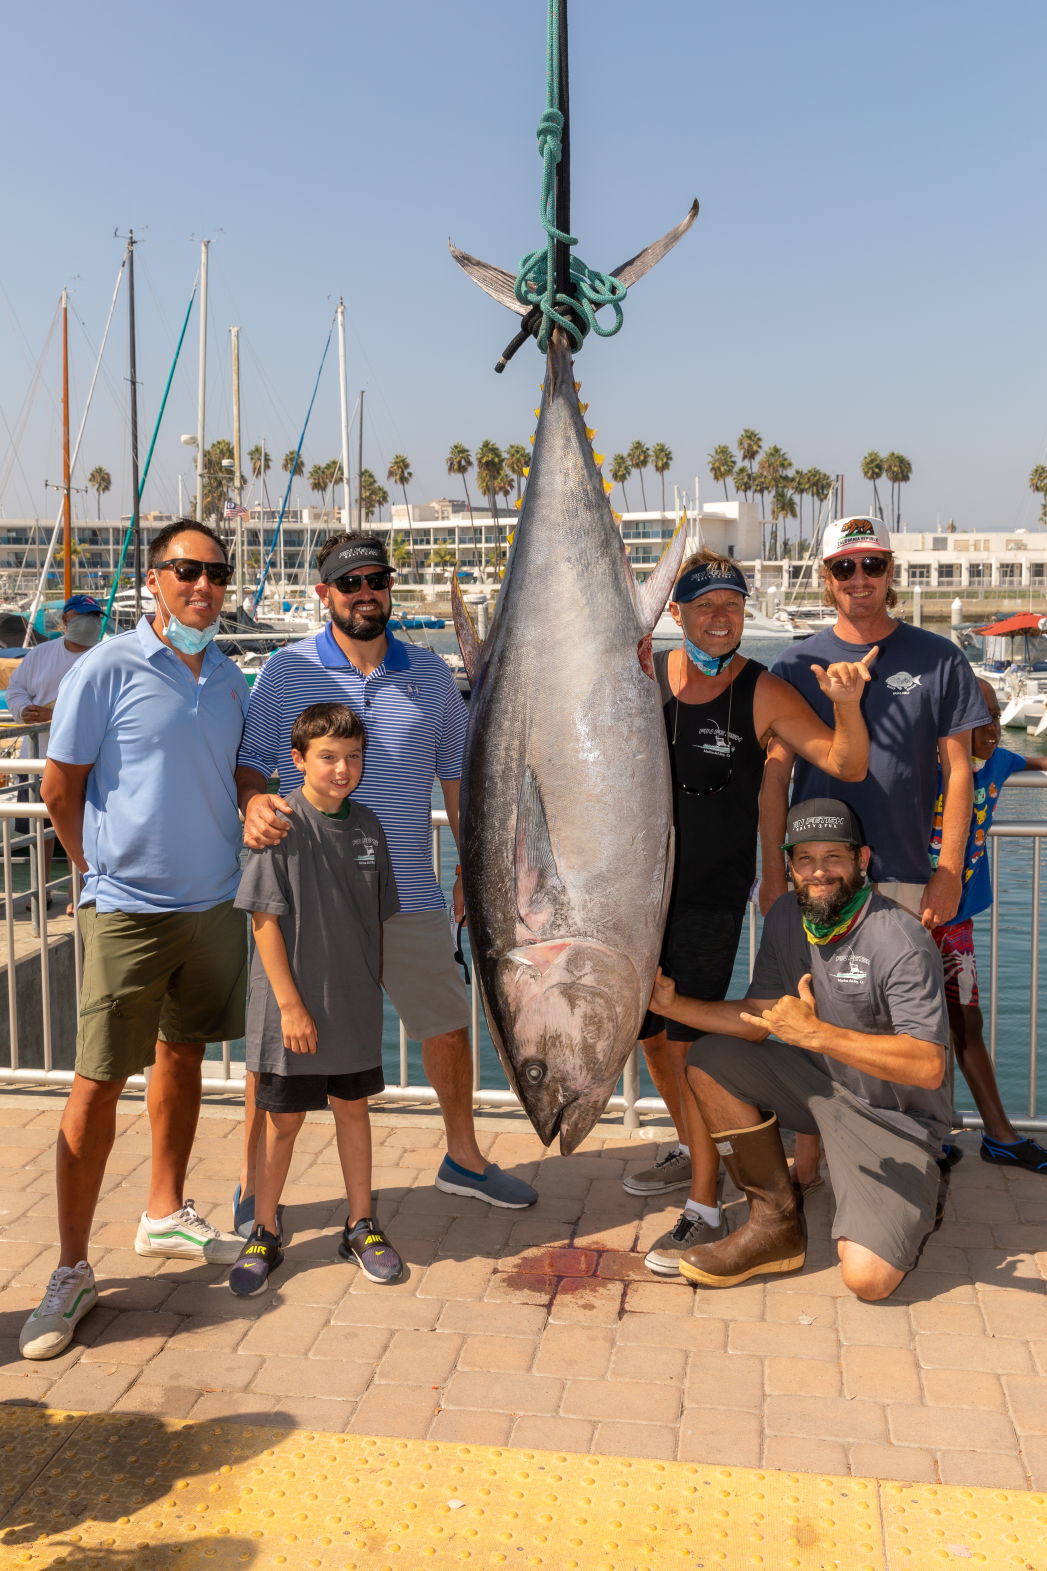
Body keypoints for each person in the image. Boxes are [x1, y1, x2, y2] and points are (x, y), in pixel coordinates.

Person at [234, 531, 537, 1226]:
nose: (365, 591)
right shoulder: (283, 670)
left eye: (375, 579)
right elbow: (251, 761)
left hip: (409, 891)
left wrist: (470, 867)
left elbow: (459, 777)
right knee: (273, 1050)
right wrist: (253, 801)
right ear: (325, 594)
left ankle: (462, 1156)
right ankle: (256, 1191)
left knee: (445, 1027)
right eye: (349, 582)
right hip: (307, 901)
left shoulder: (430, 675)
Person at [20, 522, 247, 1362]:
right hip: (125, 908)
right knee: (95, 1082)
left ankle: (164, 1212)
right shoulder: (104, 666)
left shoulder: (229, 676)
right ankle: (72, 1267)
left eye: (217, 572)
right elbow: (58, 785)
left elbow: (236, 773)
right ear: (155, 578)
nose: (204, 585)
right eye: (188, 570)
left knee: (182, 1055)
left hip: (213, 903)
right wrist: (93, 873)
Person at [625, 549, 876, 1279]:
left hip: (706, 895)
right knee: (648, 1034)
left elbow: (846, 762)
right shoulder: (645, 675)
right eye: (704, 605)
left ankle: (704, 1205)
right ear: (675, 614)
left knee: (687, 1044)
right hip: (634, 894)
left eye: (731, 604)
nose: (720, 617)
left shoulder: (759, 691)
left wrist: (848, 705)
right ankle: (692, 1142)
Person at [759, 516, 988, 1189]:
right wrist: (771, 874)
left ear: (891, 571)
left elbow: (958, 770)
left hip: (902, 878)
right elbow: (775, 775)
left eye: (871, 565)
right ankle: (809, 1162)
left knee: (902, 1029)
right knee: (810, 1018)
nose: (859, 580)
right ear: (825, 578)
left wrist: (946, 871)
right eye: (843, 568)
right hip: (816, 880)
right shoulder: (793, 664)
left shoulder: (939, 657)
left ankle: (909, 1157)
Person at [650, 797, 951, 1302]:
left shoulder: (901, 938)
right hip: (820, 1090)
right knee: (709, 1059)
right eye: (804, 859)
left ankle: (923, 1186)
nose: (819, 872)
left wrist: (818, 1035)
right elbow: (757, 1017)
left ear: (862, 860)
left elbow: (928, 1066)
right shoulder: (789, 914)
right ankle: (774, 1225)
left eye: (833, 857)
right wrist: (674, 1004)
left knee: (868, 1281)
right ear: (790, 867)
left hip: (894, 1119)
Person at [230, 702, 403, 1295]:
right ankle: (265, 1227)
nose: (341, 768)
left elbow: (375, 921)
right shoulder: (279, 824)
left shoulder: (370, 828)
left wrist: (371, 994)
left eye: (353, 757)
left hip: (351, 1007)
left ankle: (361, 1225)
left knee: (354, 1111)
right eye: (327, 757)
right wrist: (291, 1005)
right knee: (284, 1120)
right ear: (298, 760)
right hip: (291, 1011)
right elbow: (263, 923)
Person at [930, 678, 1047, 1172]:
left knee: (966, 1025)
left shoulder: (1000, 764)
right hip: (907, 923)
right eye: (981, 719)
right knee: (910, 1030)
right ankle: (925, 1135)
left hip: (956, 929)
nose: (994, 728)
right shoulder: (920, 772)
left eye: (997, 716)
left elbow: (1037, 762)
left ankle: (999, 1135)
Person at [6, 594, 104, 911]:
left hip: (89, 760)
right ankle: (41, 892)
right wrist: (23, 710)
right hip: (38, 756)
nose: (90, 622)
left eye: (95, 616)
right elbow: (15, 688)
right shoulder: (41, 654)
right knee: (40, 830)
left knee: (85, 827)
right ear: (65, 620)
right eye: (83, 616)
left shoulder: (106, 656)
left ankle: (80, 893)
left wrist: (54, 715)